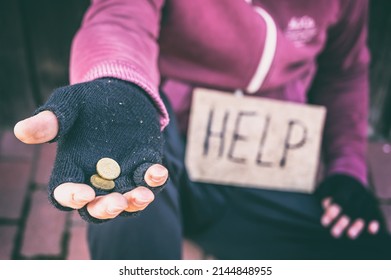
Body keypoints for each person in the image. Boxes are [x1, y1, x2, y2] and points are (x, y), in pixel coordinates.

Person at [13, 0, 391, 259]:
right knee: (122, 186)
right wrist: (116, 83)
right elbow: (119, 17)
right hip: (167, 144)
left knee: (367, 247)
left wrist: (347, 168)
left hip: (270, 162)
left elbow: (344, 72)